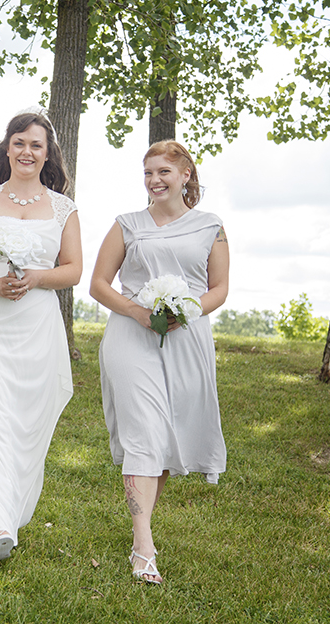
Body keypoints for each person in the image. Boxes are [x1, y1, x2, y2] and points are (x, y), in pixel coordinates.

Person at [89, 139, 229, 584]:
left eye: (163, 172)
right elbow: (98, 284)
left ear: (185, 174)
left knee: (165, 437)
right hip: (131, 334)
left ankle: (141, 531)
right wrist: (139, 312)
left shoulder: (211, 226)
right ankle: (143, 544)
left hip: (187, 337)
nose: (154, 181)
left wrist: (183, 312)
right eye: (147, 173)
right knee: (143, 432)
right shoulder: (127, 224)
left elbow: (219, 288)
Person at [0, 110, 82, 562]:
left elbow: (74, 270)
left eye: (36, 145)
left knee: (24, 420)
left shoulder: (64, 208)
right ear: (7, 148)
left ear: (48, 154)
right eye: (19, 142)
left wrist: (36, 278)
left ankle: (7, 508)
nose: (27, 151)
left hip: (36, 325)